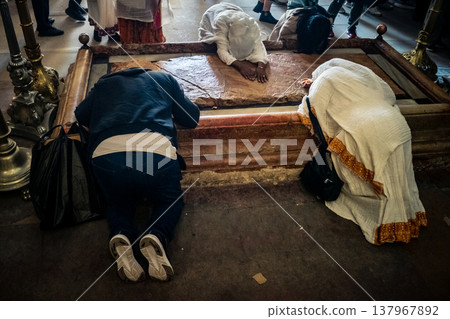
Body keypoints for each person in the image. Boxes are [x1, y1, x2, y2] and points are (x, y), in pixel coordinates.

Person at [75, 68, 200, 282]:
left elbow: (80, 115)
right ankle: (156, 234)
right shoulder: (164, 79)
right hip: (154, 151)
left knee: (116, 201)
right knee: (170, 200)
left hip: (107, 155)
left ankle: (121, 233)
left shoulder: (104, 83)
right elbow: (191, 118)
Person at [298, 58, 427, 245]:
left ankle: (380, 219)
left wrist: (313, 91)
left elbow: (313, 109)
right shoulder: (364, 75)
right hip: (398, 127)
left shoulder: (325, 78)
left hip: (366, 133)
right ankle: (405, 217)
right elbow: (390, 97)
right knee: (396, 178)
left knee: (367, 177)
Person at [199, 2, 269, 83]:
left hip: (234, 9)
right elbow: (222, 50)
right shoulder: (221, 24)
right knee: (211, 44)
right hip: (212, 13)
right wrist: (240, 66)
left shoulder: (252, 25)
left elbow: (259, 46)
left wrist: (261, 67)